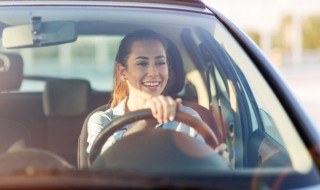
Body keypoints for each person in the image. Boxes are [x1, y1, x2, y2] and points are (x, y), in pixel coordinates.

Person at [86, 29, 229, 163]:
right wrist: (147, 122)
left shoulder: (188, 118)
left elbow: (202, 169)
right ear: (123, 72)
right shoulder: (102, 120)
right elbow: (102, 166)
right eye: (142, 63)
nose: (153, 72)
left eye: (160, 62)